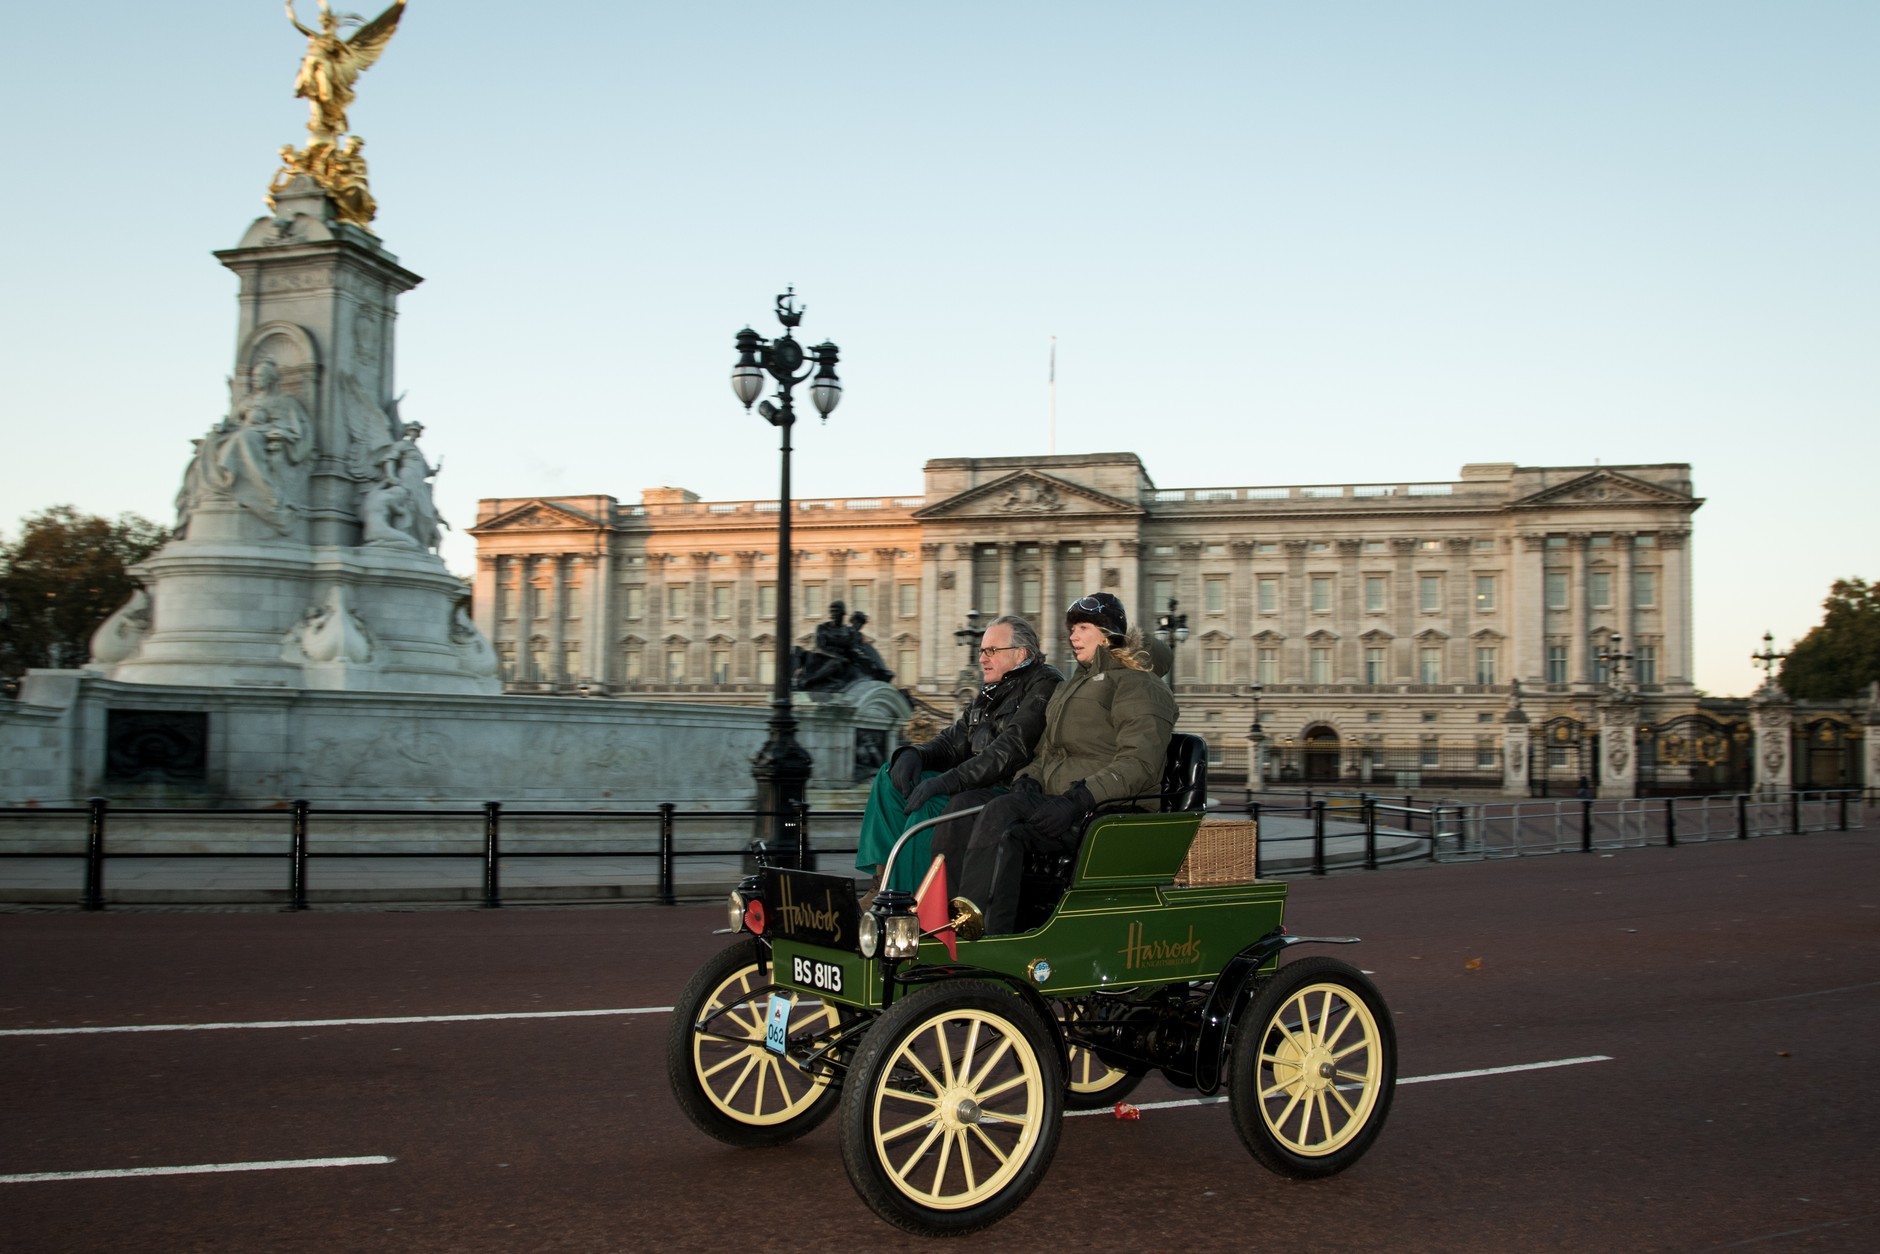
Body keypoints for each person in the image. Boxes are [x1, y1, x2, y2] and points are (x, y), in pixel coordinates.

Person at [935, 592, 1178, 938]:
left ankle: (984, 933)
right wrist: (1028, 780)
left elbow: (1140, 763)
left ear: (1108, 633)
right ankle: (945, 921)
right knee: (962, 806)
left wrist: (1080, 798)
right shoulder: (1072, 685)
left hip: (1105, 806)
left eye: (1082, 628)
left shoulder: (1140, 684)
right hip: (1054, 798)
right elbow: (1046, 752)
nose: (1073, 637)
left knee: (1002, 813)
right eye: (1072, 629)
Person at [853, 615, 1061, 895]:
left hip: (1008, 790)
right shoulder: (992, 691)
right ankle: (882, 885)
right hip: (974, 783)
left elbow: (1010, 750)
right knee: (889, 777)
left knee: (927, 806)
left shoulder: (1044, 684)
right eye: (982, 651)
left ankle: (907, 900)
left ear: (1020, 654)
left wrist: (946, 782)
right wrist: (916, 754)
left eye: (992, 651)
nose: (982, 658)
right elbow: (952, 742)